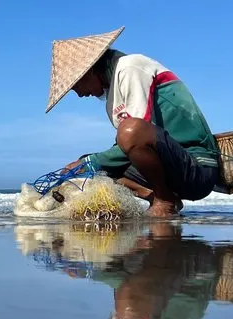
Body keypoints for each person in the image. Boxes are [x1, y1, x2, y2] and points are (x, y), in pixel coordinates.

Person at [45, 26, 221, 217]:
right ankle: (157, 196)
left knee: (129, 131)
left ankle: (165, 201)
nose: (79, 94)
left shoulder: (130, 67)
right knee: (98, 170)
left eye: (76, 86)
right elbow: (126, 149)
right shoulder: (111, 100)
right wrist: (85, 163)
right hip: (170, 168)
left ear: (91, 70)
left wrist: (90, 162)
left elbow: (135, 133)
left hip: (196, 168)